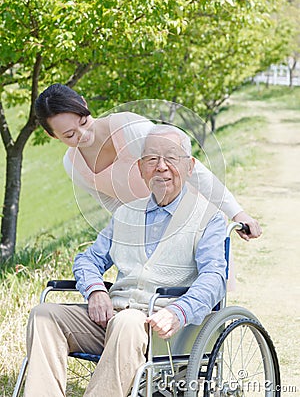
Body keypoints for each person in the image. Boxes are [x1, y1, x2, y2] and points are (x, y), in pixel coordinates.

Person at [24, 125, 227, 397]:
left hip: (165, 328)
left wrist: (179, 311)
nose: (161, 167)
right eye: (152, 159)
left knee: (129, 321)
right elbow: (89, 260)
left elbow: (214, 278)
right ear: (141, 168)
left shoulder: (208, 218)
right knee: (44, 315)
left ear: (190, 167)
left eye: (171, 158)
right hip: (113, 319)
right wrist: (95, 290)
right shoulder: (126, 214)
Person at [34, 83, 262, 240]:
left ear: (84, 103)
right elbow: (112, 204)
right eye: (70, 135)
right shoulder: (73, 164)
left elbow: (192, 171)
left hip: (193, 221)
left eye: (83, 121)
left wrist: (237, 213)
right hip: (149, 236)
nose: (83, 135)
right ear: (52, 135)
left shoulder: (131, 129)